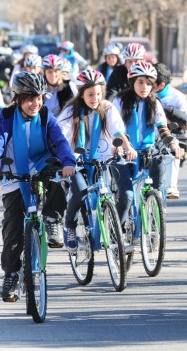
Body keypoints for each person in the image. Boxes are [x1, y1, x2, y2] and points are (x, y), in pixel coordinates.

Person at [0, 72, 76, 301]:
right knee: (13, 227)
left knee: (57, 180)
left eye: (40, 98)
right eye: (30, 98)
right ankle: (11, 274)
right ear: (18, 99)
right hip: (13, 171)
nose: (36, 104)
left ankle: (52, 220)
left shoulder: (45, 116)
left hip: (41, 164)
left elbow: (60, 142)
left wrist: (68, 162)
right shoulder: (5, 118)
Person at [56, 69, 134, 251]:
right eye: (90, 94)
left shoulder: (107, 107)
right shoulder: (70, 110)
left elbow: (117, 130)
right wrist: (65, 160)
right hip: (76, 159)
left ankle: (116, 234)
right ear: (81, 93)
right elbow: (61, 136)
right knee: (80, 192)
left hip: (105, 157)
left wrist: (128, 148)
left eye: (98, 94)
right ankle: (70, 227)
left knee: (125, 193)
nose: (95, 98)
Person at [112, 61, 182, 229]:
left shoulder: (155, 102)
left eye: (149, 83)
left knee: (157, 181)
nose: (145, 87)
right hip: (123, 153)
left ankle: (154, 213)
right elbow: (115, 129)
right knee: (127, 196)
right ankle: (119, 233)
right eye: (140, 82)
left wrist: (172, 144)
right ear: (132, 82)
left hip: (146, 151)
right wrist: (122, 147)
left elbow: (162, 128)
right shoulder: (120, 100)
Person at [154, 63, 187, 200]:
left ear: (161, 85)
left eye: (151, 82)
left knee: (172, 149)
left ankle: (171, 186)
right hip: (148, 138)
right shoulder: (144, 95)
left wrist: (170, 119)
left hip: (170, 138)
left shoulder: (177, 98)